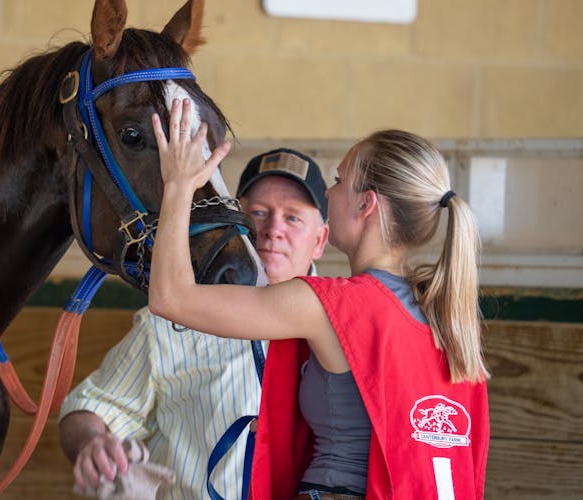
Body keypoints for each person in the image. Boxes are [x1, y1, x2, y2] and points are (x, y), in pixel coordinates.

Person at [148, 98, 490, 500]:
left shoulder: (328, 304)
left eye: (339, 180)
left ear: (366, 203)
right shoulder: (446, 315)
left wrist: (178, 186)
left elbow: (170, 298)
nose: (329, 192)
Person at [58, 146, 330, 499]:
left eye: (293, 217)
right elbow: (92, 409)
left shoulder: (348, 325)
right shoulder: (172, 322)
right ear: (237, 224)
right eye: (259, 212)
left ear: (320, 240)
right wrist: (93, 443)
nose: (272, 229)